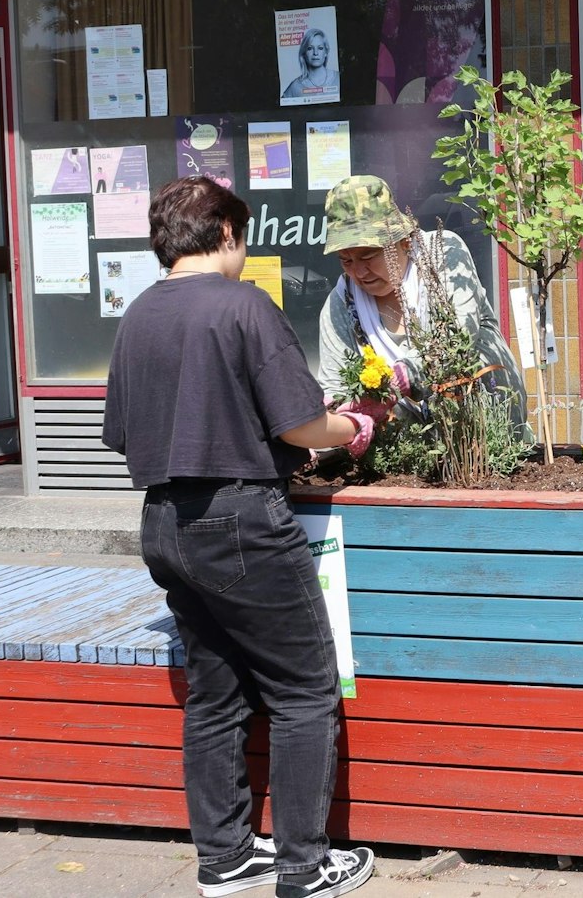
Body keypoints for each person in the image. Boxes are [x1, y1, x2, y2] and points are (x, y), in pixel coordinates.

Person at [102, 176, 378, 898]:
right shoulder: (242, 306)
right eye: (243, 237)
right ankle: (304, 865)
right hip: (242, 520)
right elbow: (298, 426)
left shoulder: (136, 316)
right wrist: (353, 427)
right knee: (303, 689)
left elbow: (120, 433)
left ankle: (225, 858)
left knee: (216, 693)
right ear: (225, 232)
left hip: (163, 521)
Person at [315, 175, 526, 430]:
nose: (359, 272)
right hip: (404, 455)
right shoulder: (341, 302)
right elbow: (336, 387)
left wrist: (402, 377)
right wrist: (338, 423)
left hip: (487, 442)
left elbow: (458, 335)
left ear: (403, 241)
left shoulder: (443, 253)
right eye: (346, 260)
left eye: (368, 256)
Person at [282, 27, 341, 100]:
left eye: (320, 48)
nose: (315, 53)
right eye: (310, 48)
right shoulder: (295, 86)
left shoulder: (339, 78)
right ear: (304, 53)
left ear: (326, 52)